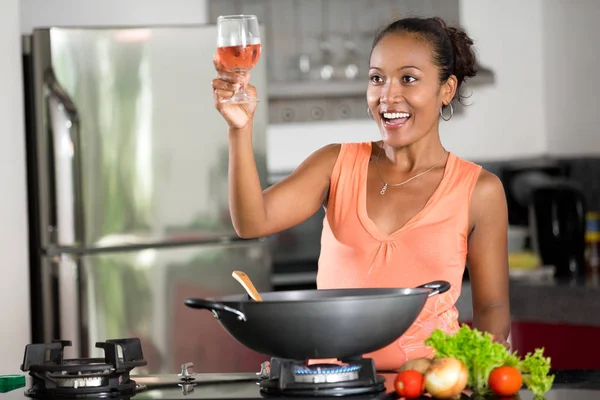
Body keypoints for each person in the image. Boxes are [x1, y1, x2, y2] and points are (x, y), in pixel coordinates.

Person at [211, 16, 511, 371]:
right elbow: (251, 221)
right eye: (377, 78)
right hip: (332, 384)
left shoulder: (480, 190)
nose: (388, 96)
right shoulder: (335, 163)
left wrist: (473, 374)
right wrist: (239, 129)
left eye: (409, 79)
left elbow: (492, 307)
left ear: (446, 90)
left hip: (426, 387)